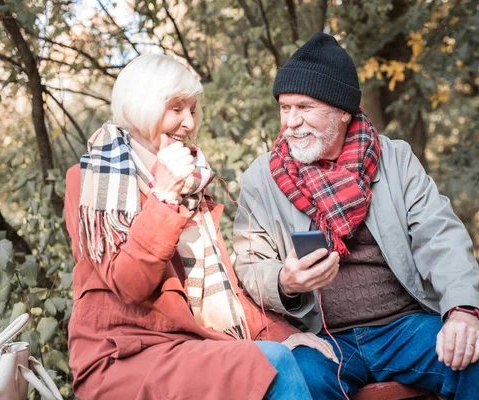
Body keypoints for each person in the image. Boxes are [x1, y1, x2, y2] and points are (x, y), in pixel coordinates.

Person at [233, 33, 479, 399]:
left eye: (304, 107)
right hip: (324, 337)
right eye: (285, 107)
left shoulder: (395, 158)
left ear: (342, 111)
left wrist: (463, 310)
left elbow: (440, 236)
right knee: (293, 378)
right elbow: (250, 262)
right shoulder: (261, 177)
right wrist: (285, 283)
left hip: (404, 328)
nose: (290, 122)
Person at [64, 54, 337, 400]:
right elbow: (128, 285)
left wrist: (283, 334)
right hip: (123, 355)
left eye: (192, 110)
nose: (189, 123)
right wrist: (163, 196)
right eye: (176, 109)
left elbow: (226, 292)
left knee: (313, 361)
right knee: (272, 362)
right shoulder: (91, 182)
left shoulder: (191, 185)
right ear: (141, 107)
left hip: (189, 344)